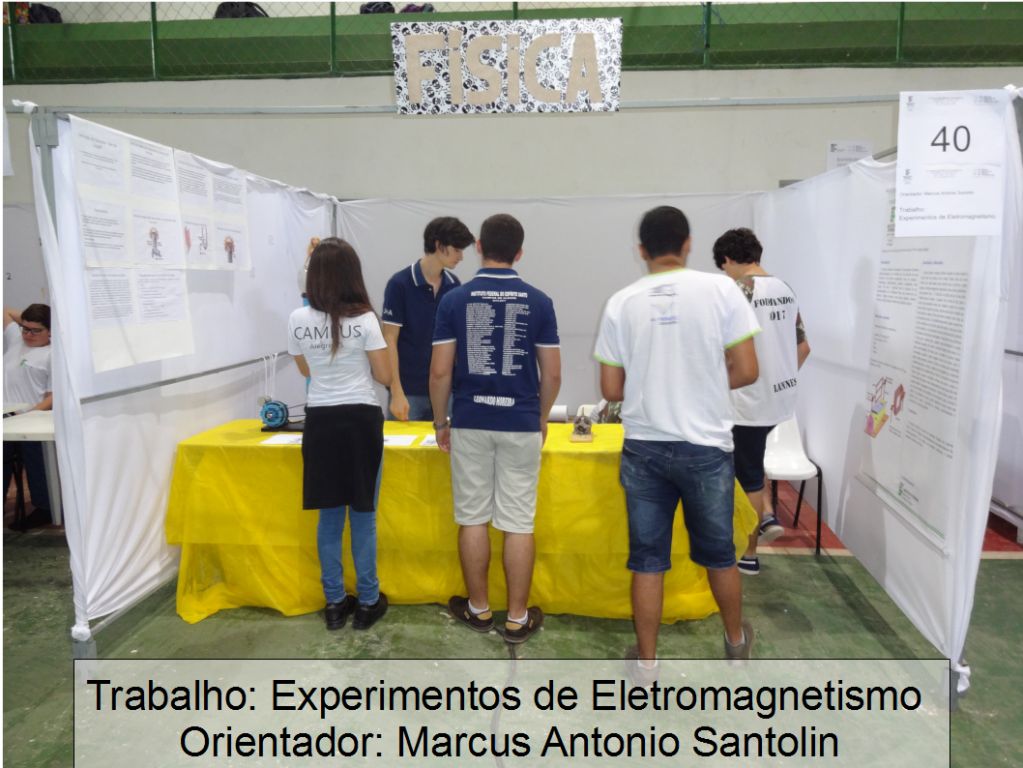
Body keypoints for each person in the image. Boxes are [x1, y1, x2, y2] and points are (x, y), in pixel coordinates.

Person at [593, 206, 761, 674]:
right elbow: (748, 369)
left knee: (648, 561)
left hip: (644, 447)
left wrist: (653, 384)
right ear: (688, 244)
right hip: (706, 446)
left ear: (641, 250)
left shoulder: (621, 302)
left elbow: (611, 389)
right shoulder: (722, 290)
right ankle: (735, 643)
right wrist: (703, 385)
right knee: (720, 555)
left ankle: (647, 665)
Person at [429, 213, 561, 644]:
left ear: (481, 247)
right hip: (520, 422)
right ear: (519, 253)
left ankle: (480, 608)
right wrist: (541, 417)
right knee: (518, 522)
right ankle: (517, 618)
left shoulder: (454, 300)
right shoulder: (539, 301)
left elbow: (439, 372)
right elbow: (552, 374)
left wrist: (440, 421)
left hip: (471, 421)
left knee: (473, 518)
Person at [288, 238, 392, 631]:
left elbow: (306, 371)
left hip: (321, 421)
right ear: (353, 274)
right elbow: (383, 375)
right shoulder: (365, 319)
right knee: (363, 516)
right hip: (361, 420)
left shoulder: (297, 319)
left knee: (329, 518)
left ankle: (334, 604)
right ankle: (367, 601)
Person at [713, 227, 810, 576]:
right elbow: (803, 347)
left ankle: (748, 553)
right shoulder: (785, 289)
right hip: (777, 401)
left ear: (728, 259)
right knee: (751, 462)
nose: (726, 274)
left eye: (724, 268)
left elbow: (724, 349)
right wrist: (776, 380)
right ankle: (766, 515)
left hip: (746, 401)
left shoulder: (737, 291)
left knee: (746, 476)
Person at [382, 217, 475, 421]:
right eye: (457, 249)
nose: (461, 257)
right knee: (403, 443)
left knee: (446, 442)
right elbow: (389, 339)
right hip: (408, 392)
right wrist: (396, 391)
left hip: (446, 391)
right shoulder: (400, 284)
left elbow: (457, 341)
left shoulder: (454, 285)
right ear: (439, 245)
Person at [3, 304, 53, 530]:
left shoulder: (52, 355)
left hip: (32, 419)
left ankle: (44, 508)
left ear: (50, 331)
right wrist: (25, 320)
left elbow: (53, 396)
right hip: (6, 417)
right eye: (25, 328)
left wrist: (31, 415)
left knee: (36, 460)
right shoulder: (16, 340)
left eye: (36, 330)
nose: (28, 335)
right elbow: (5, 311)